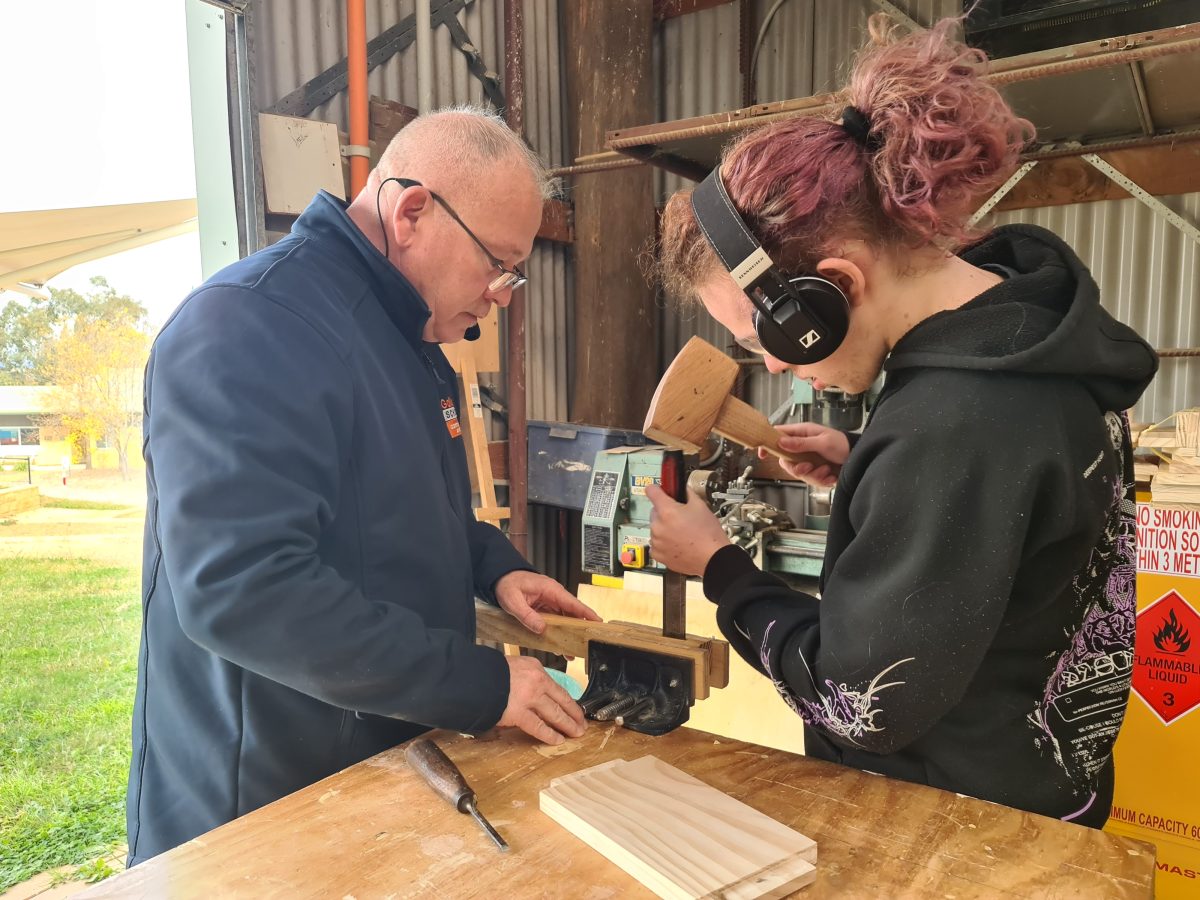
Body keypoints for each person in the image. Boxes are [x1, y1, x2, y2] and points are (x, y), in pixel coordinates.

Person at [645, 17, 1157, 828]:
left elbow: (860, 705)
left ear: (833, 286)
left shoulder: (950, 428)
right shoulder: (1028, 348)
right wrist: (868, 468)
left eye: (764, 337)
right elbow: (1013, 523)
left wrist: (720, 568)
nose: (772, 366)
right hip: (1048, 791)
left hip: (957, 836)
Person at [127, 107, 599, 865]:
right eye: (496, 263)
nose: (503, 292)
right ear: (412, 211)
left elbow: (404, 511)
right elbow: (244, 590)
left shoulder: (409, 347)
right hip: (257, 810)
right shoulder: (250, 324)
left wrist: (496, 567)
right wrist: (481, 687)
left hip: (374, 772)